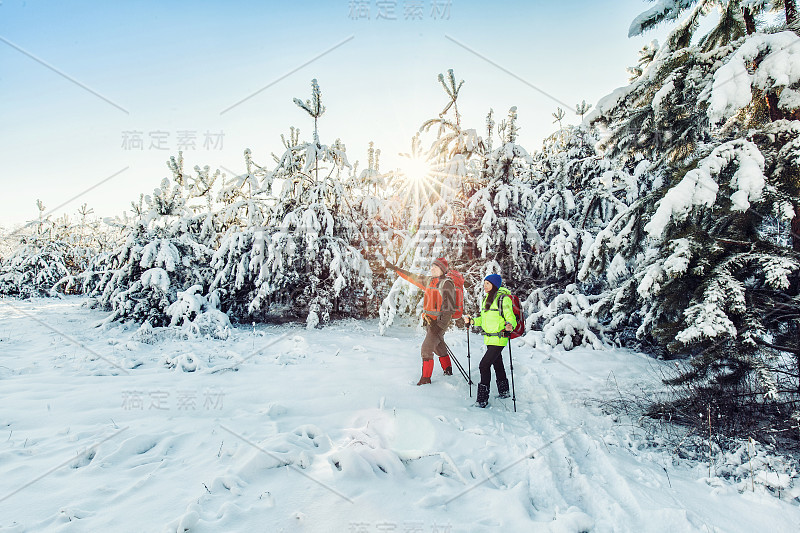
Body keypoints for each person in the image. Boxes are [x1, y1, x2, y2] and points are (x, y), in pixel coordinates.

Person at [385, 257, 455, 385]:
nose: (432, 268)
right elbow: (411, 277)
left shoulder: (446, 284)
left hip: (438, 324)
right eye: (432, 266)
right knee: (438, 347)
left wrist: (440, 326)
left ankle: (425, 380)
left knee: (426, 349)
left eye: (435, 267)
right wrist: (395, 269)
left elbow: (449, 308)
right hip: (429, 322)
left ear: (442, 270)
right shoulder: (429, 281)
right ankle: (448, 370)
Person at [464, 274, 516, 408]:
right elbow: (483, 319)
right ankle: (504, 392)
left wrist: (510, 325)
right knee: (497, 363)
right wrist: (473, 321)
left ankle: (482, 400)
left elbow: (511, 317)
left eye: (488, 283)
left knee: (484, 365)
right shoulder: (486, 299)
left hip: (499, 338)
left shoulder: (503, 299)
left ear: (494, 285)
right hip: (489, 338)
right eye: (484, 283)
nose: (485, 285)